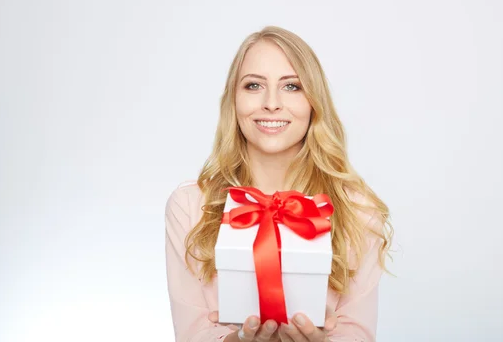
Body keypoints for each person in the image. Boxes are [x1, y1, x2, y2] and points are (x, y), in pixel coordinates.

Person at [165, 26, 393, 341]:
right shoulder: (190, 206)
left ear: (314, 102)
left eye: (292, 86)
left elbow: (358, 333)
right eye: (254, 85)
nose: (271, 103)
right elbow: (191, 333)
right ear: (233, 99)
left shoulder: (358, 211)